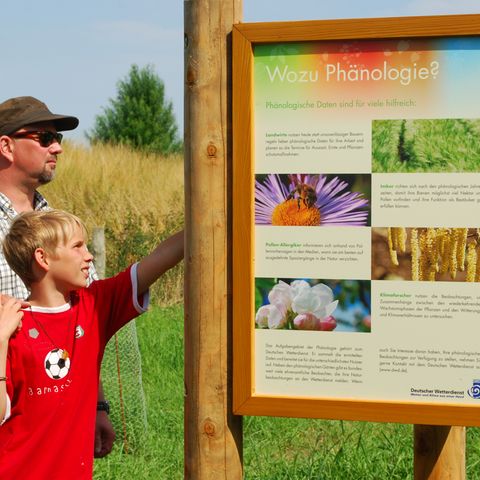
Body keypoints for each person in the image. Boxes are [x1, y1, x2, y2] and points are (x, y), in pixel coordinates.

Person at [0, 209, 184, 478]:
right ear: (43, 258)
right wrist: (1, 339)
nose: (88, 255)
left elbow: (157, 260)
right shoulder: (12, 326)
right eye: (77, 246)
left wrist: (204, 224)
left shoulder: (95, 304)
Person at [0, 96, 115, 457]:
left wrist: (96, 404)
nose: (57, 148)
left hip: (54, 435)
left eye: (59, 138)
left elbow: (83, 321)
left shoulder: (59, 227)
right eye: (45, 136)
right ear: (6, 145)